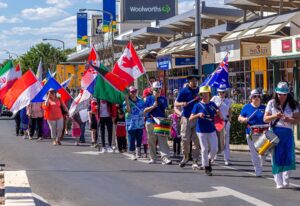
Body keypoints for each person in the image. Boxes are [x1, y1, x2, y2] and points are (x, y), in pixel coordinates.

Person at [264, 81, 300, 189]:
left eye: (284, 94)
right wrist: (275, 116)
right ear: (276, 93)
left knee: (288, 156)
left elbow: (298, 120)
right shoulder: (271, 103)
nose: (282, 96)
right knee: (275, 157)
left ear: (288, 93)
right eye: (279, 94)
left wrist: (289, 119)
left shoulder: (293, 104)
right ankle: (278, 181)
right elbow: (265, 119)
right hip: (274, 132)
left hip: (287, 133)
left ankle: (286, 178)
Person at [190, 86, 220, 176]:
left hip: (211, 129)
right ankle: (207, 167)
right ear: (201, 95)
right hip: (201, 131)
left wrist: (218, 113)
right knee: (204, 149)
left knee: (215, 149)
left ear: (209, 94)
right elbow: (190, 118)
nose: (205, 96)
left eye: (207, 94)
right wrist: (198, 115)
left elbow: (218, 115)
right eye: (203, 94)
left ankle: (208, 159)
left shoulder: (212, 104)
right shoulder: (197, 105)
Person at [174, 74, 201, 169]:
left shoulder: (200, 91)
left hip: (197, 118)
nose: (194, 82)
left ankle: (195, 160)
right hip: (186, 118)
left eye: (196, 80)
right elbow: (176, 103)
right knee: (185, 139)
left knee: (196, 141)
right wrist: (182, 103)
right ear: (189, 81)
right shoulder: (184, 91)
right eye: (193, 80)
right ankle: (185, 157)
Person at [238, 89, 266, 176]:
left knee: (263, 152)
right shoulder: (247, 107)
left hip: (263, 133)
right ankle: (257, 169)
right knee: (254, 152)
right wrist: (244, 119)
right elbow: (239, 118)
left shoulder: (264, 108)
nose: (256, 98)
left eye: (258, 96)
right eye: (254, 96)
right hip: (251, 133)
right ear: (251, 98)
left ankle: (259, 165)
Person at [144, 81, 172, 165]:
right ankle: (152, 158)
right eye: (156, 89)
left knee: (163, 140)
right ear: (152, 89)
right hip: (150, 121)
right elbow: (144, 111)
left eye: (159, 88)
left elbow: (166, 110)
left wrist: (168, 113)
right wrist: (152, 106)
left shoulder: (163, 99)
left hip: (161, 122)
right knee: (151, 141)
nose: (158, 90)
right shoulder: (149, 98)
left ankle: (165, 158)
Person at [211, 84, 233, 165]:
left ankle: (226, 159)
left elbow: (230, 111)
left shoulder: (229, 101)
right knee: (215, 140)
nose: (221, 94)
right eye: (220, 92)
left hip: (226, 122)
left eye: (223, 92)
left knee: (226, 140)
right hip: (216, 122)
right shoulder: (214, 99)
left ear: (225, 92)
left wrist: (229, 118)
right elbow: (210, 108)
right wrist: (216, 108)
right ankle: (213, 156)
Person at [124, 86, 145, 160]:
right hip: (131, 124)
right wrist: (127, 100)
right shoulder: (126, 102)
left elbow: (144, 110)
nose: (133, 93)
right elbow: (128, 111)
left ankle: (138, 152)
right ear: (129, 93)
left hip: (140, 123)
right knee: (131, 139)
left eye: (135, 91)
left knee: (139, 138)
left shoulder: (140, 101)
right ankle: (132, 153)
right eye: (132, 92)